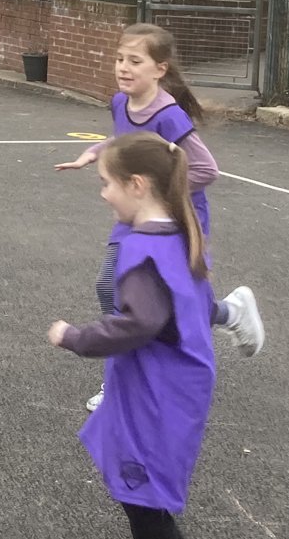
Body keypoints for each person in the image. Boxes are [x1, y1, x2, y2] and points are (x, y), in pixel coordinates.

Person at [46, 132, 218, 539]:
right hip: (173, 382)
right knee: (137, 467)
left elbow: (138, 323)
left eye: (107, 184)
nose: (102, 194)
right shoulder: (177, 233)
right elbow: (199, 305)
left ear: (137, 185)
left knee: (140, 485)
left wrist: (74, 337)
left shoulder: (143, 251)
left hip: (160, 389)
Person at [58, 23, 263, 411]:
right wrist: (98, 152)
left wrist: (159, 195)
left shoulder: (170, 117)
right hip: (136, 216)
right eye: (120, 59)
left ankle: (229, 312)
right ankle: (124, 371)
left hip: (177, 220)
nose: (123, 67)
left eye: (135, 60)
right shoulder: (121, 102)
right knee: (112, 287)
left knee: (174, 302)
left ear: (160, 69)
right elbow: (127, 142)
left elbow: (205, 170)